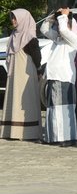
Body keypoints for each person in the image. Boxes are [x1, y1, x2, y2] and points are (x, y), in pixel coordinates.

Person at [40, 8, 77, 146]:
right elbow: (44, 29)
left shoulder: (74, 38)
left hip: (64, 78)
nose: (58, 27)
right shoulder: (57, 39)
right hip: (53, 77)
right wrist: (53, 16)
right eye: (57, 24)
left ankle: (66, 138)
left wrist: (64, 16)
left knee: (64, 109)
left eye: (60, 23)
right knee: (53, 109)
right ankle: (53, 136)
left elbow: (64, 30)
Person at [0, 9, 42, 140]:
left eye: (15, 18)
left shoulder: (29, 37)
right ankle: (12, 130)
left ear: (23, 19)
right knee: (15, 98)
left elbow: (36, 57)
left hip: (25, 73)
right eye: (12, 18)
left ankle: (27, 132)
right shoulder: (14, 35)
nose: (13, 21)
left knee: (25, 100)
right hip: (15, 74)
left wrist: (39, 69)